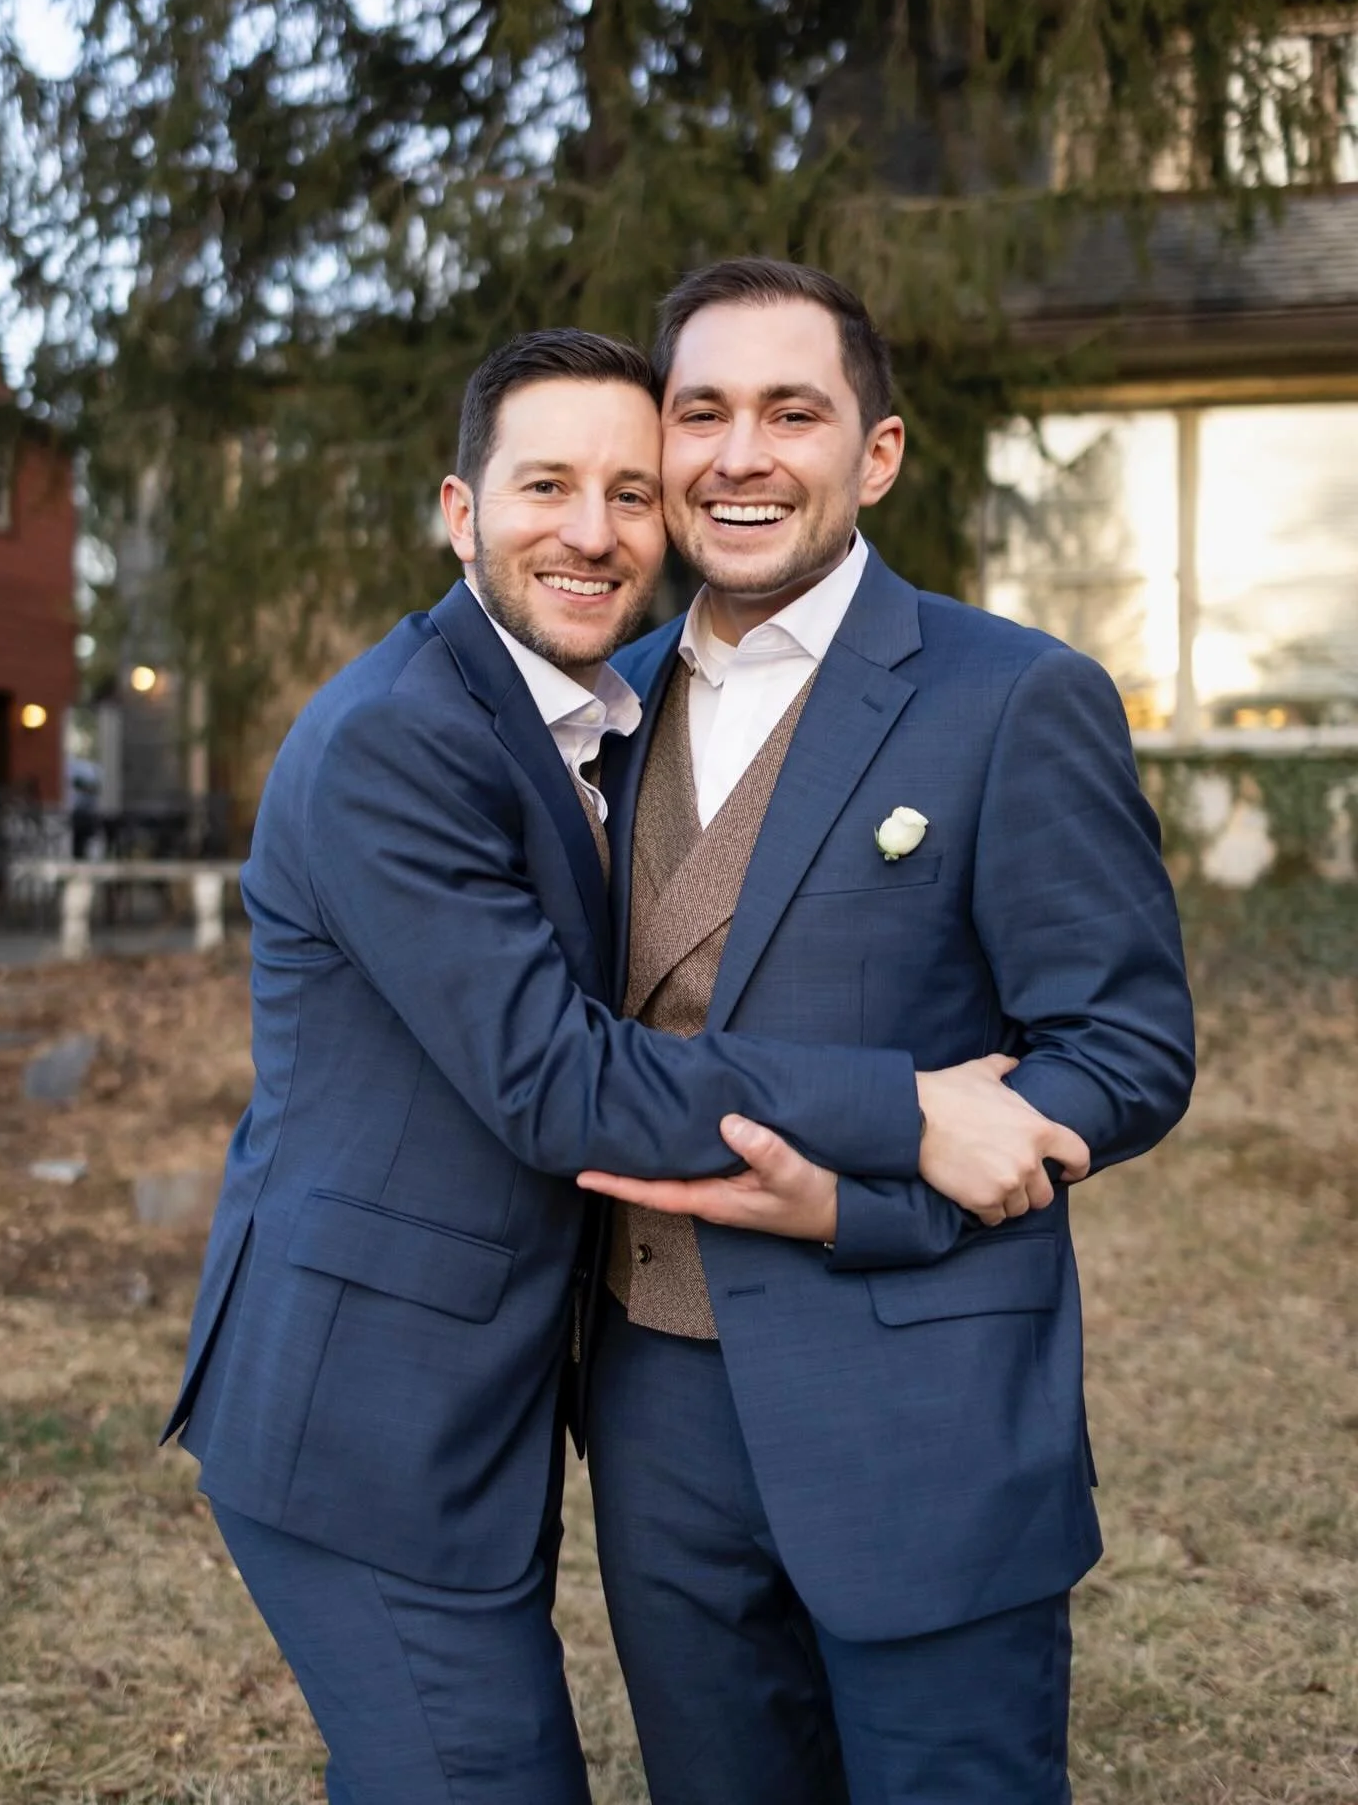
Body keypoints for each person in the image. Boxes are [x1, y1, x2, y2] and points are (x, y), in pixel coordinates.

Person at [163, 327, 1085, 1805]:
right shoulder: (403, 741)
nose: (591, 532)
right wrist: (904, 1107)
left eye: (627, 492)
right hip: (372, 1417)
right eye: (545, 487)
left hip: (502, 1403)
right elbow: (562, 1080)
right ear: (460, 510)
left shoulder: (583, 715)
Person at [577, 258, 1196, 1805]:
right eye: (701, 411)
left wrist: (868, 1196)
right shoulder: (598, 704)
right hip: (656, 1411)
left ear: (878, 452)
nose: (740, 455)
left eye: (794, 412)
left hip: (922, 1408)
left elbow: (1123, 1049)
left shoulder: (1012, 696)